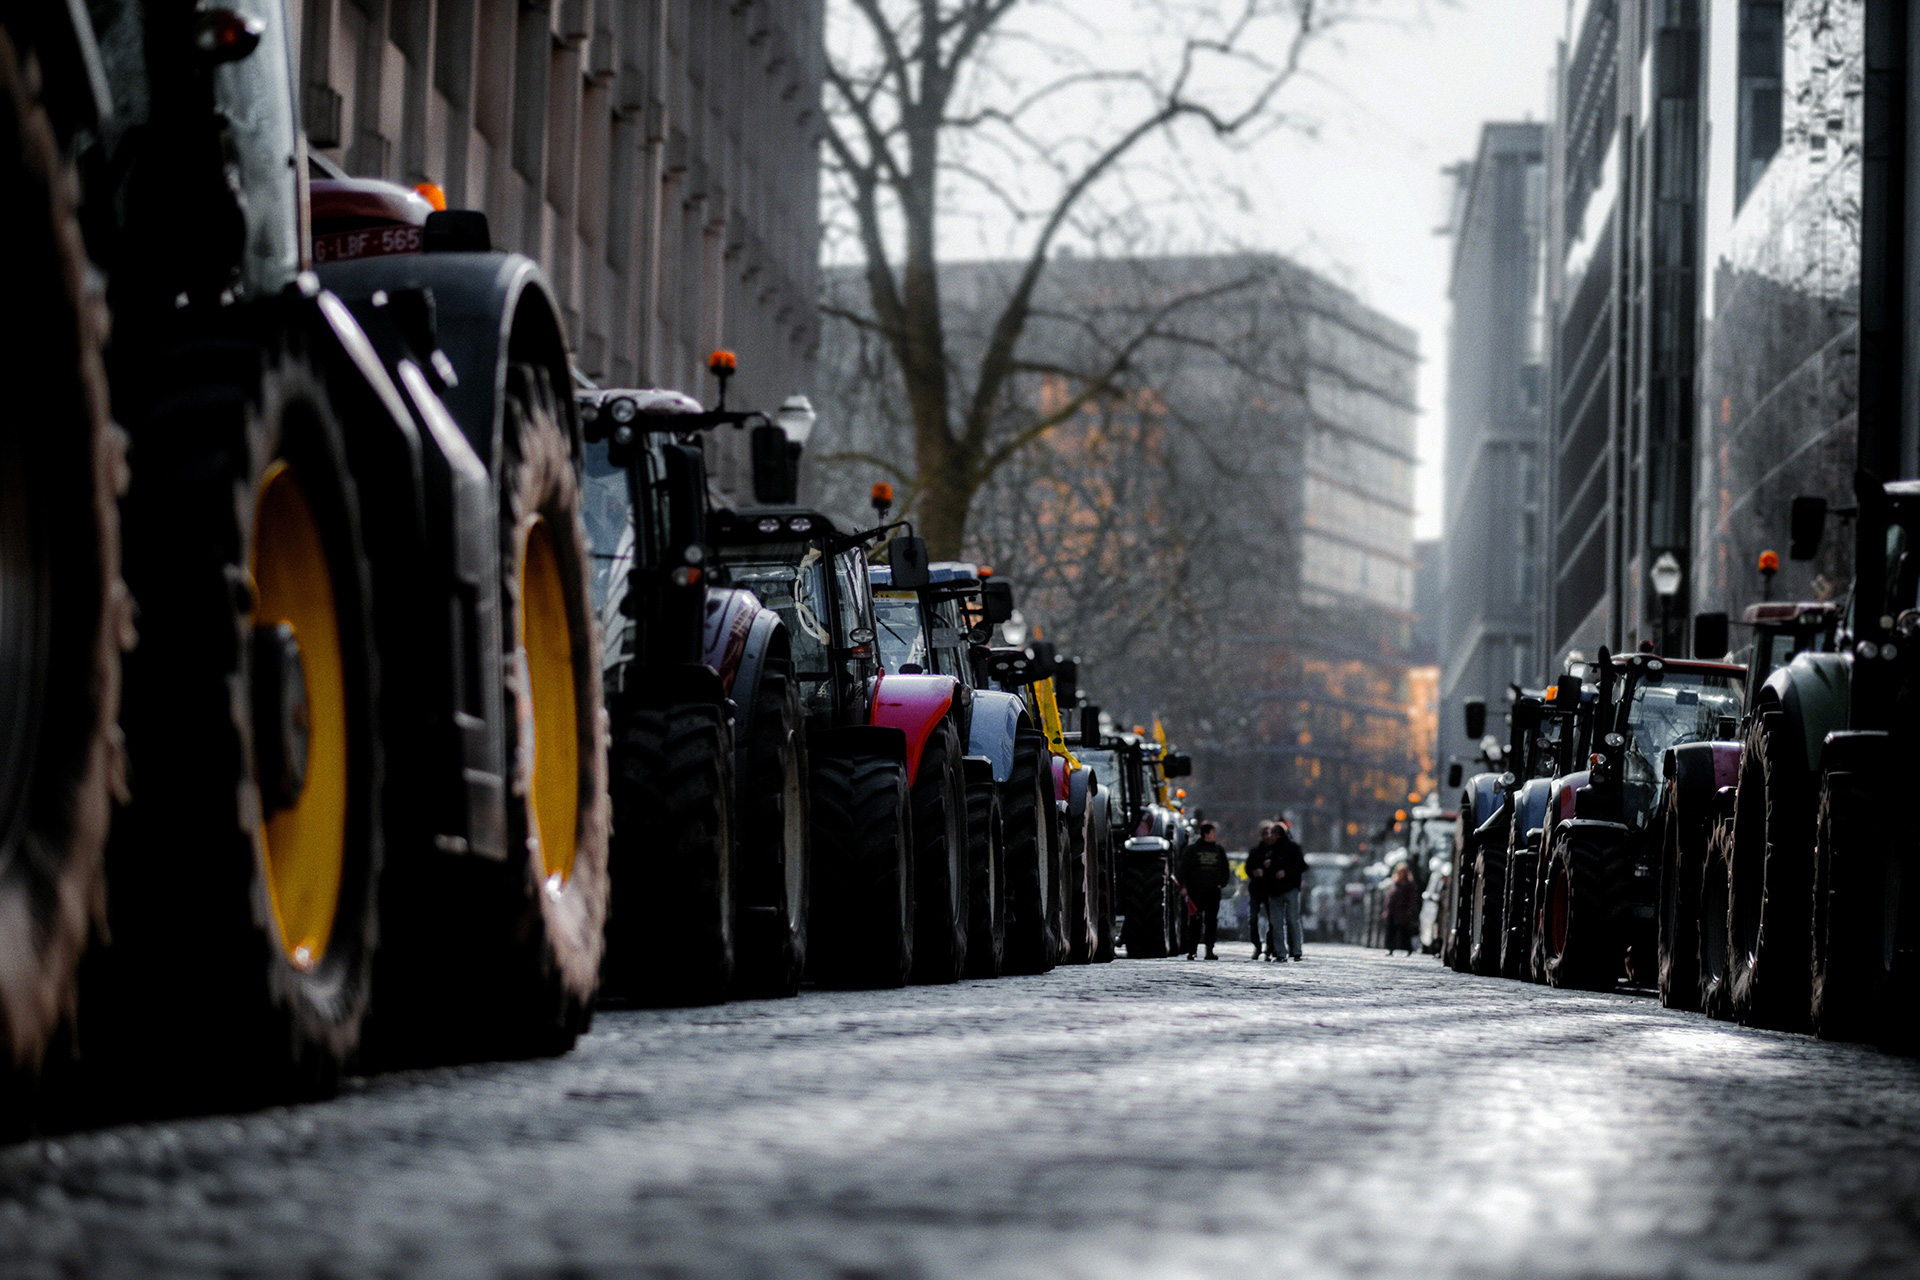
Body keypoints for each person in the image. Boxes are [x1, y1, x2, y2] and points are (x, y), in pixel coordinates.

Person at [1180, 821, 1232, 959]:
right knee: (1195, 921)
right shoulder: (1192, 850)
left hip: (1213, 892)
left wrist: (1222, 883)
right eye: (1212, 832)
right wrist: (1184, 886)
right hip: (1196, 891)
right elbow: (1184, 869)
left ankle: (1209, 950)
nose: (1215, 835)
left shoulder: (1218, 850)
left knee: (1211, 922)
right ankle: (1192, 950)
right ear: (1205, 834)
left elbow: (1225, 869)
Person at [1268, 819, 1308, 962]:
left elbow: (1302, 866)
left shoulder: (1292, 848)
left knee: (1291, 920)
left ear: (1277, 835)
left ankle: (1296, 950)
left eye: (1272, 833)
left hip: (1290, 888)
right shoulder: (1270, 850)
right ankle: (1281, 951)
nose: (1270, 836)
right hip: (1275, 890)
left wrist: (1286, 872)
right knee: (1278, 922)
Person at [1244, 822, 1280, 960]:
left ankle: (1269, 948)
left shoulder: (1277, 851)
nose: (1268, 836)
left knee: (1273, 921)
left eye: (1270, 833)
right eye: (1265, 833)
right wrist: (1254, 872)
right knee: (1253, 919)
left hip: (1271, 890)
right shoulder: (1255, 852)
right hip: (1256, 890)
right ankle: (1257, 946)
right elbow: (1247, 868)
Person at [1382, 862, 1420, 956]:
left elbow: (1412, 899)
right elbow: (1389, 898)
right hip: (1393, 911)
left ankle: (1408, 949)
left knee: (1404, 932)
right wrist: (1386, 910)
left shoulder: (1410, 885)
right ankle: (1390, 949)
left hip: (1403, 912)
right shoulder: (1394, 883)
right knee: (1391, 931)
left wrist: (1409, 911)